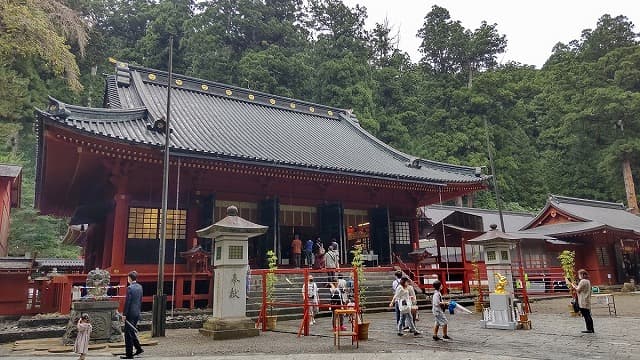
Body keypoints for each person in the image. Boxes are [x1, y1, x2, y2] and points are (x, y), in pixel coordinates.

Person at [121, 271, 143, 359]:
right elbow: (140, 300)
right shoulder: (140, 287)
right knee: (131, 331)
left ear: (129, 278)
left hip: (130, 313)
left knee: (127, 333)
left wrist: (124, 314)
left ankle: (129, 354)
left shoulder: (130, 288)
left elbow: (128, 302)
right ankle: (138, 348)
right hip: (137, 312)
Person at [568, 269, 594, 333]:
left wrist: (573, 285)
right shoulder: (587, 281)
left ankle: (589, 329)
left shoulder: (582, 281)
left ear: (582, 275)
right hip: (587, 299)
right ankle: (591, 328)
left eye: (579, 274)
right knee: (588, 314)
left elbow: (578, 289)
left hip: (583, 300)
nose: (579, 276)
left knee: (586, 315)